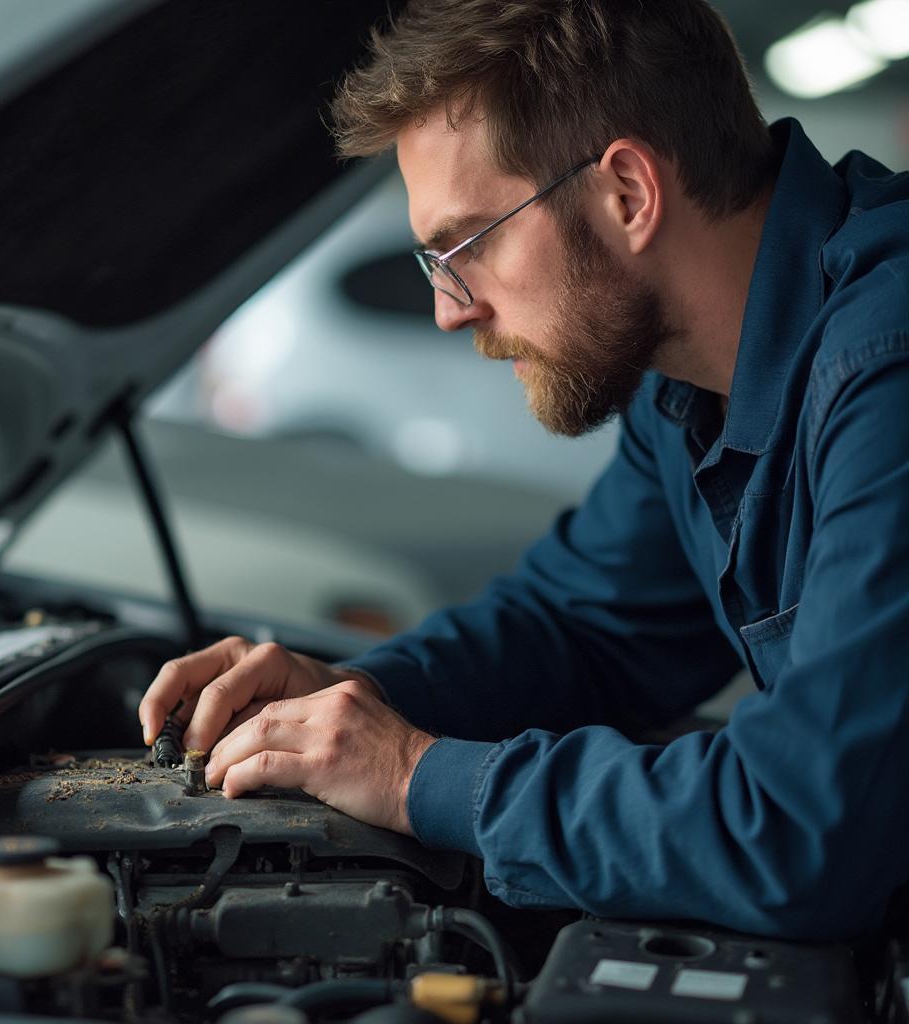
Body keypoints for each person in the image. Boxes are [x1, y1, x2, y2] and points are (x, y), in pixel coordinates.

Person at [139, 0, 909, 940]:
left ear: (627, 193)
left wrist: (411, 776)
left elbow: (800, 829)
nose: (450, 312)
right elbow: (584, 627)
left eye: (465, 246)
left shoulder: (885, 366)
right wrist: (352, 700)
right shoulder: (692, 384)